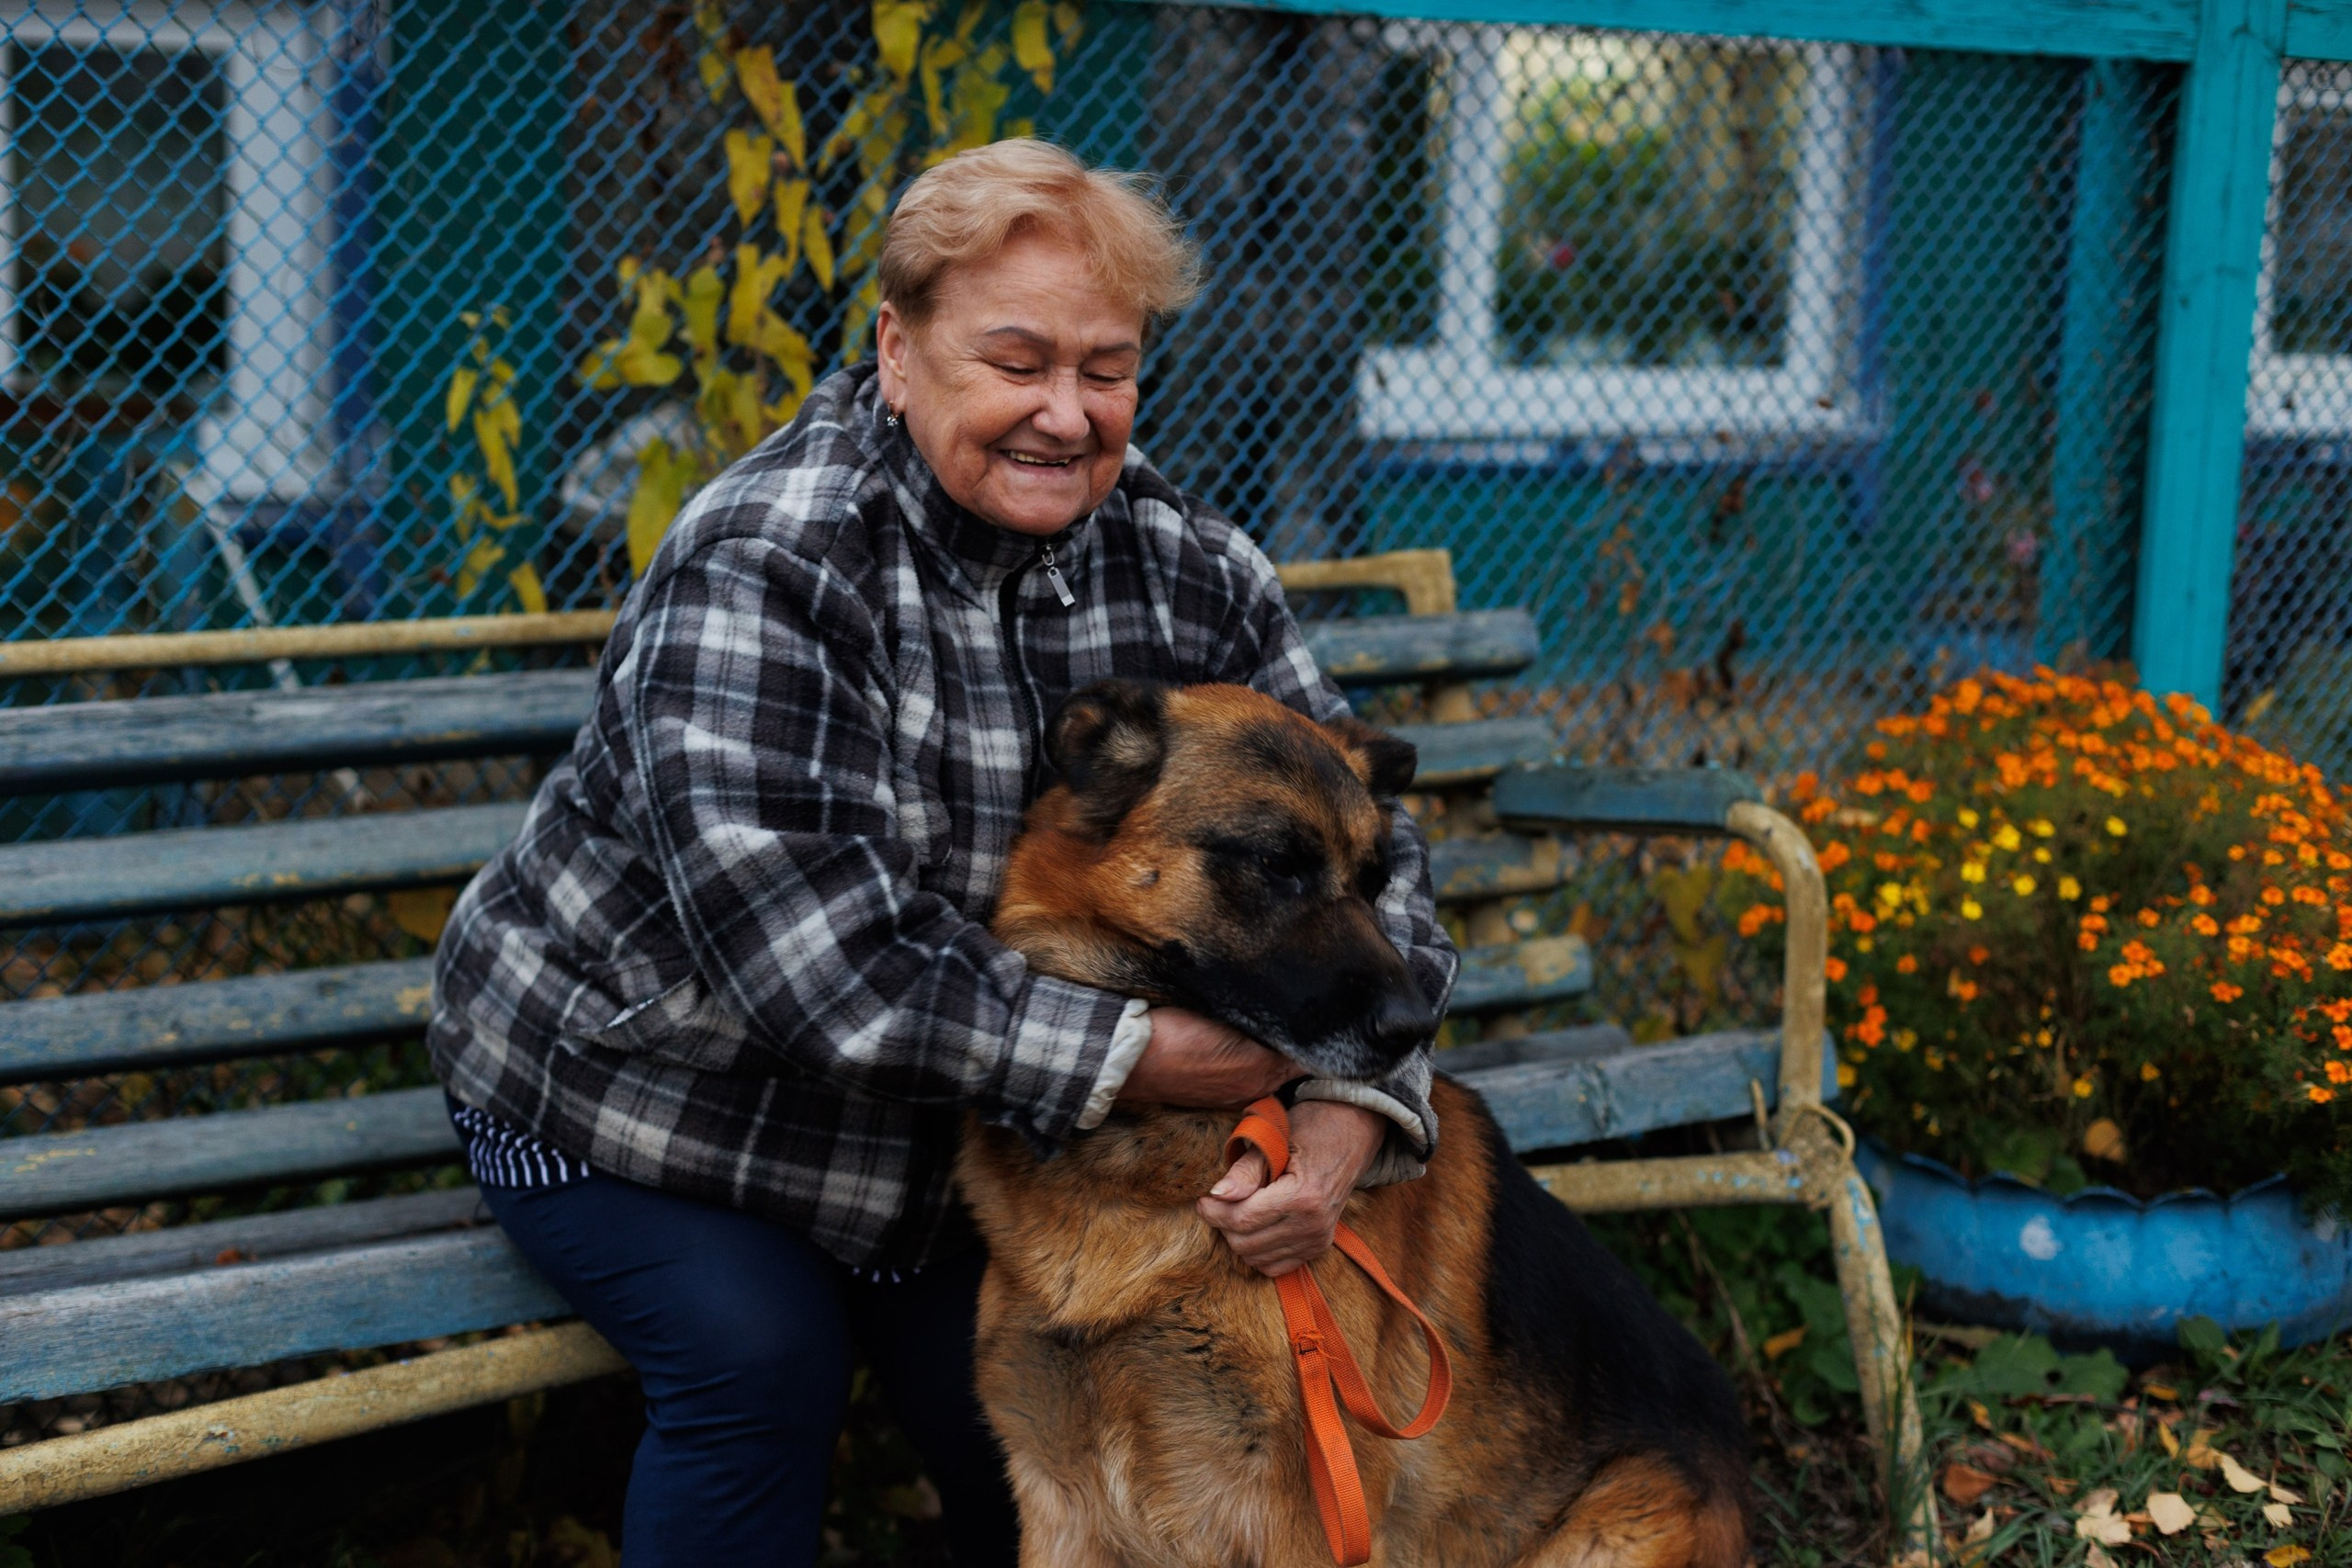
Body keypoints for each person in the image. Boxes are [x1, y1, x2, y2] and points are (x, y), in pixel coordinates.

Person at [427, 139, 1457, 1568]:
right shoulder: (767, 562)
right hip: (643, 1103)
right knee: (758, 1360)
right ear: (897, 353)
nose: (1064, 414)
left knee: (1036, 1407)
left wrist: (1352, 1114)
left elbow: (1367, 851)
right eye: (1016, 361)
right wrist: (1153, 1061)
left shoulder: (1191, 568)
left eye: (1106, 370)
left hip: (960, 1133)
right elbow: (824, 971)